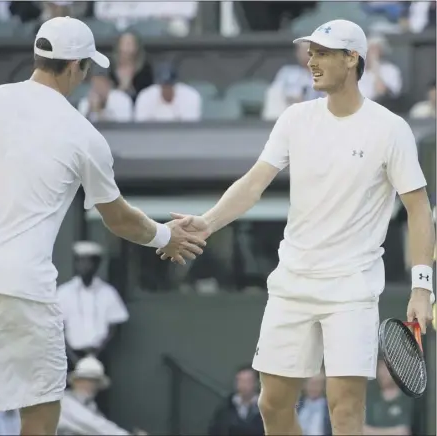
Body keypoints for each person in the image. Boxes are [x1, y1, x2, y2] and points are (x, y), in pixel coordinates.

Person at [157, 19, 435, 435]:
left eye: (322, 53)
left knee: (345, 408)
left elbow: (417, 207)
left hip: (352, 288)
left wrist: (421, 287)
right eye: (310, 52)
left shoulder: (390, 129)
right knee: (273, 403)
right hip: (292, 282)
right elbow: (253, 183)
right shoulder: (295, 119)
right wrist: (207, 223)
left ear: (352, 59)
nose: (311, 61)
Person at [0, 16, 207, 436]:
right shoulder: (84, 135)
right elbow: (117, 218)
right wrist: (167, 236)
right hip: (19, 286)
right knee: (42, 412)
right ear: (78, 67)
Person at [59, 241, 129, 369]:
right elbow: (58, 328)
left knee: (100, 388)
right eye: (81, 261)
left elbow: (114, 328)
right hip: (69, 355)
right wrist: (72, 356)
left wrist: (97, 353)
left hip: (100, 354)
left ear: (97, 264)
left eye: (89, 261)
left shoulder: (108, 292)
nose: (85, 266)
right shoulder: (63, 293)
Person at [58, 355, 147, 435]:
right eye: (86, 379)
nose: (91, 385)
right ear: (75, 382)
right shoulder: (65, 402)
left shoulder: (91, 406)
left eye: (95, 381)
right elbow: (94, 425)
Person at [208, 365, 264, 436]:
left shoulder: (265, 409)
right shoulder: (225, 407)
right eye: (240, 380)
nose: (243, 385)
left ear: (256, 383)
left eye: (247, 381)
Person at [363, 359, 413, 436]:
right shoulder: (369, 394)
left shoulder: (407, 395)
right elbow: (362, 430)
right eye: (381, 368)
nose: (383, 373)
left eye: (387, 369)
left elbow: (403, 432)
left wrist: (373, 432)